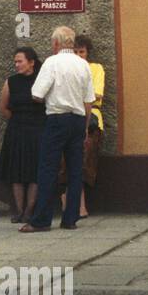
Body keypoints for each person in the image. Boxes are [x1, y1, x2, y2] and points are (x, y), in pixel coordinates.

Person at [21, 26, 95, 233]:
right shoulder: (83, 65)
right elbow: (88, 100)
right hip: (78, 120)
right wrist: (85, 128)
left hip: (56, 119)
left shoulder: (52, 63)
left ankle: (41, 220)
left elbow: (37, 94)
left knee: (48, 168)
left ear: (55, 43)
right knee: (74, 170)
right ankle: (70, 218)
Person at [0, 47, 45, 223]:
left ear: (31, 62)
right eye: (15, 61)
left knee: (34, 171)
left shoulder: (42, 80)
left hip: (38, 130)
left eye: (20, 61)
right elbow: (3, 107)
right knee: (16, 171)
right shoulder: (11, 82)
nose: (16, 65)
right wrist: (18, 120)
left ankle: (29, 210)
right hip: (17, 130)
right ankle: (19, 210)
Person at [61, 34, 106, 220]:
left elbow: (97, 95)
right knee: (65, 162)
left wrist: (75, 96)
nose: (79, 55)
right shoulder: (67, 68)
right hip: (70, 115)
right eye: (76, 52)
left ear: (87, 53)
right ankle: (70, 201)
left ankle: (79, 204)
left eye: (82, 52)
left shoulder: (95, 68)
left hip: (91, 119)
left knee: (84, 162)